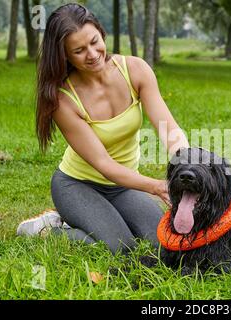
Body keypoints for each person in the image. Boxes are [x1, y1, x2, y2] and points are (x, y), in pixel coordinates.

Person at [17, 3, 189, 255]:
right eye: (78, 50)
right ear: (65, 55)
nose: (92, 54)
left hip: (123, 185)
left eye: (94, 42)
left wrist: (187, 163)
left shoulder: (135, 70)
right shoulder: (63, 100)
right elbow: (104, 164)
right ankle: (48, 228)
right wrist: (157, 186)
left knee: (163, 242)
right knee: (121, 247)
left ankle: (95, 219)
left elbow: (168, 128)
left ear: (101, 31)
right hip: (78, 185)